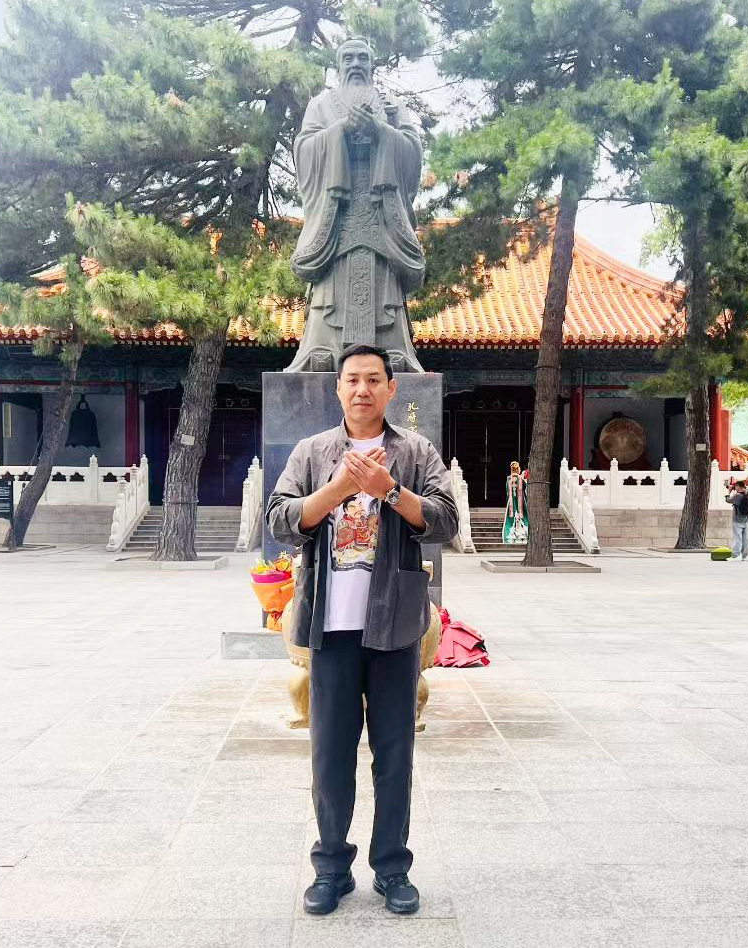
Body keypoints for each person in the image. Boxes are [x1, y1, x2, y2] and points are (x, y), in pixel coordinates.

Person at [266, 344, 458, 917]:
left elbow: (446, 521)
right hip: (330, 628)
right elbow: (278, 520)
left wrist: (388, 490)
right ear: (338, 388)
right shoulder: (312, 451)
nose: (362, 390)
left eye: (374, 379)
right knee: (330, 756)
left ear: (391, 389)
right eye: (352, 379)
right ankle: (330, 868)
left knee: (395, 756)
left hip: (395, 626)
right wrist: (336, 491)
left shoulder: (415, 451)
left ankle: (392, 868)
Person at [283, 37, 426, 373]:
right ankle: (321, 348)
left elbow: (413, 153)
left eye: (363, 57)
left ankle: (391, 351)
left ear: (372, 64)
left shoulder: (391, 106)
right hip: (337, 211)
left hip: (381, 209)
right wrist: (341, 131)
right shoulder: (321, 105)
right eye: (348, 58)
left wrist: (380, 130)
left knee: (383, 280)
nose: (356, 63)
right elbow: (304, 150)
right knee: (331, 287)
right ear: (338, 65)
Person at [726, 479, 748, 561]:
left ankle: (736, 555)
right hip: (746, 519)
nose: (735, 488)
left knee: (737, 538)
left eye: (735, 487)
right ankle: (745, 556)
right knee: (746, 538)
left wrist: (729, 492)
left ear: (738, 486)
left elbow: (728, 500)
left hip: (737, 519)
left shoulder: (737, 495)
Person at [502, 461, 529, 543]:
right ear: (517, 469)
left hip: (511, 502)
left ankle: (511, 536)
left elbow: (507, 490)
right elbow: (525, 488)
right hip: (521, 502)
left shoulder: (508, 478)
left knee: (511, 516)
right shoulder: (521, 479)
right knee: (523, 516)